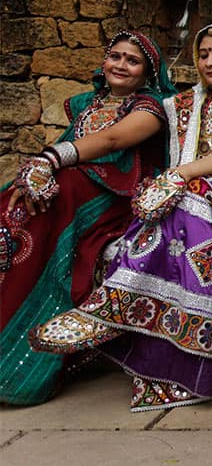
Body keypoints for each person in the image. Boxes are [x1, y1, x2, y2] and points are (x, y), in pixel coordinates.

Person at [31, 22, 212, 412]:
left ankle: (111, 308)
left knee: (189, 197)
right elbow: (119, 137)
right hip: (203, 198)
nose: (209, 61)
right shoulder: (186, 106)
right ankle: (166, 347)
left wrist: (179, 175)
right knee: (178, 206)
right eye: (203, 54)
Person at [0, 31, 175, 405]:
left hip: (114, 199)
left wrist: (48, 161)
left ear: (148, 73)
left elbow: (112, 142)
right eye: (116, 56)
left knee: (40, 230)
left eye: (133, 61)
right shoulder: (88, 104)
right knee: (11, 211)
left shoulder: (149, 107)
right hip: (71, 192)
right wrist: (32, 177)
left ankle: (18, 370)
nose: (121, 65)